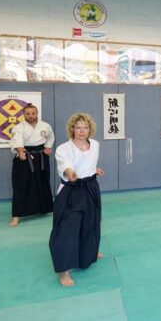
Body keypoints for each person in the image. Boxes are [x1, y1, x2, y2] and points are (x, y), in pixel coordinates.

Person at [50, 113, 105, 287]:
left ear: (90, 129)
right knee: (66, 229)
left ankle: (89, 253)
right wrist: (70, 172)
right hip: (71, 191)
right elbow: (65, 164)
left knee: (91, 223)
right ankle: (64, 271)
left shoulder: (95, 145)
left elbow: (86, 161)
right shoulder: (63, 148)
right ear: (72, 129)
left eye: (85, 127)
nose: (82, 131)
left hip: (90, 188)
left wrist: (93, 169)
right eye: (78, 127)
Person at [8, 103, 54, 227]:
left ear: (37, 113)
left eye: (33, 113)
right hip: (24, 156)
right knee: (21, 185)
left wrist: (48, 147)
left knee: (42, 182)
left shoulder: (45, 126)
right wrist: (20, 150)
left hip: (41, 157)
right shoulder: (19, 127)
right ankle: (16, 215)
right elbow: (16, 140)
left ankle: (43, 208)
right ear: (23, 114)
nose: (31, 116)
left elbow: (51, 137)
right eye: (27, 113)